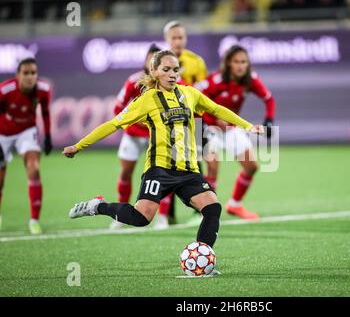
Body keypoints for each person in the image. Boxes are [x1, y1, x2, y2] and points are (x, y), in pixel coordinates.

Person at [63, 51, 263, 263]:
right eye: (166, 69)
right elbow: (114, 124)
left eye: (175, 70)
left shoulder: (190, 94)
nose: (172, 74)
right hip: (159, 170)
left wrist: (247, 126)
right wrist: (79, 145)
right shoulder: (147, 99)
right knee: (141, 218)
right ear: (154, 71)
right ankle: (97, 206)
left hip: (188, 171)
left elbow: (216, 108)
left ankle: (202, 260)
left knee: (212, 207)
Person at [196, 45, 276, 220]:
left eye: (244, 62)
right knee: (212, 167)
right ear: (228, 64)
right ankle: (207, 212)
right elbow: (194, 99)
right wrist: (213, 119)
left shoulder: (250, 80)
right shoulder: (214, 81)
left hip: (231, 129)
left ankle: (235, 204)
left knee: (252, 167)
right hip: (209, 129)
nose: (241, 66)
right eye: (236, 62)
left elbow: (268, 99)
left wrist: (268, 120)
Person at [156, 20, 209, 228]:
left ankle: (199, 209)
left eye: (180, 37)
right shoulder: (158, 61)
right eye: (173, 38)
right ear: (166, 40)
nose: (177, 41)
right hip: (167, 121)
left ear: (185, 39)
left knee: (194, 160)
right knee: (166, 163)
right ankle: (166, 214)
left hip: (192, 121)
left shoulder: (196, 62)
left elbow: (202, 95)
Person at [109, 44, 162, 230]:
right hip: (133, 135)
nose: (153, 62)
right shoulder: (134, 80)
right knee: (126, 172)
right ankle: (119, 215)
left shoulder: (167, 83)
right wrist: (138, 121)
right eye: (151, 58)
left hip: (156, 137)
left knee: (162, 176)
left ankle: (162, 217)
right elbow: (118, 108)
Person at [0, 58, 53, 234]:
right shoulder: (5, 90)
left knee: (34, 169)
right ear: (18, 75)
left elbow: (45, 112)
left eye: (33, 73)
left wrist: (47, 136)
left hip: (27, 131)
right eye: (26, 73)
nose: (30, 77)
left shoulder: (43, 90)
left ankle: (34, 220)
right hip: (3, 132)